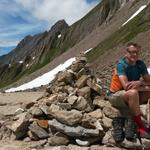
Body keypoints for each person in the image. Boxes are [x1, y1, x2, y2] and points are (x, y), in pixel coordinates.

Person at [108, 42, 150, 142]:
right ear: (126, 53)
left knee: (138, 91)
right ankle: (140, 127)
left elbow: (148, 81)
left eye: (136, 52)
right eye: (131, 52)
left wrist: (139, 82)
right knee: (133, 93)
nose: (134, 55)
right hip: (115, 95)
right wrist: (144, 86)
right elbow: (127, 87)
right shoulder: (121, 65)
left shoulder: (140, 64)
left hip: (131, 93)